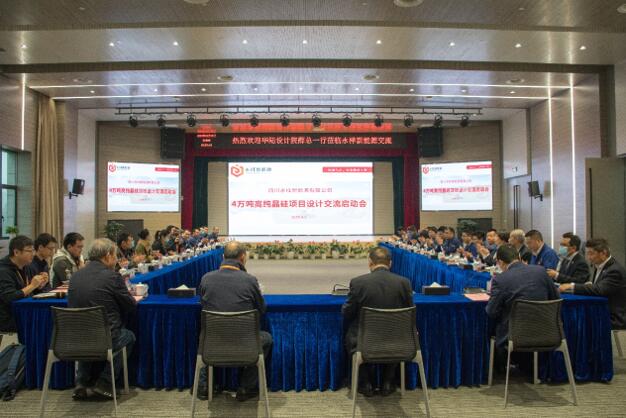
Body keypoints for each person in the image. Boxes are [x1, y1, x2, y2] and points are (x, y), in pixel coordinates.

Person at [197, 241, 271, 402]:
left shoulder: (206, 279)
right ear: (243, 257)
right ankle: (246, 387)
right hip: (245, 343)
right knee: (266, 339)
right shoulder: (250, 280)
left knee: (205, 335)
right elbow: (262, 308)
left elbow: (203, 305)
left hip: (213, 344)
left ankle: (204, 386)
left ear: (223, 256)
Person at [67, 238, 137, 400]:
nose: (116, 259)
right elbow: (130, 305)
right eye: (115, 256)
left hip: (74, 337)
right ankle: (105, 382)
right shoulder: (112, 277)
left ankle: (81, 382)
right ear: (107, 256)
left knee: (87, 330)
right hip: (104, 337)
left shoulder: (76, 276)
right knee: (128, 337)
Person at [342, 246, 414, 397]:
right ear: (390, 263)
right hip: (398, 341)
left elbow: (347, 312)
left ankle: (365, 383)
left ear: (370, 262)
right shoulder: (404, 283)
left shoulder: (358, 283)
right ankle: (388, 381)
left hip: (365, 341)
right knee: (393, 331)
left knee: (353, 333)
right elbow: (410, 312)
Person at [486, 244, 559, 348]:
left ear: (500, 262)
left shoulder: (500, 279)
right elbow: (555, 298)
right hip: (547, 332)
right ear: (519, 257)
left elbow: (491, 311)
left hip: (514, 336)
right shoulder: (541, 271)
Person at [560, 238, 626, 330]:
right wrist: (591, 284)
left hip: (613, 318)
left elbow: (599, 290)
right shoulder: (600, 265)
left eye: (591, 253)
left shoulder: (615, 270)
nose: (588, 257)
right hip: (601, 311)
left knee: (577, 321)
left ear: (603, 253)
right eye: (587, 254)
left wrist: (572, 287)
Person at [0, 236, 49, 333]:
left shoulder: (26, 267)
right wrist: (32, 285)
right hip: (10, 317)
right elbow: (9, 297)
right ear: (16, 252)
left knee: (50, 317)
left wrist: (40, 285)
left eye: (33, 250)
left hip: (25, 312)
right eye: (29, 251)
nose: (33, 254)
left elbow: (30, 291)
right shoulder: (3, 271)